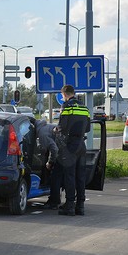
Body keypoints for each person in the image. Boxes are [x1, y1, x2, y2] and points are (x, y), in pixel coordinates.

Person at [54, 85, 90, 216]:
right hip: (82, 144)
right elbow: (88, 128)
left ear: (64, 94)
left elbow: (62, 127)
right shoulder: (84, 108)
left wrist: (56, 130)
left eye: (62, 96)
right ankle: (80, 206)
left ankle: (69, 205)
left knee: (70, 176)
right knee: (81, 176)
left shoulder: (67, 106)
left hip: (70, 145)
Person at [35, 119, 58, 189]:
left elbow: (54, 149)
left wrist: (50, 162)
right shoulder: (45, 127)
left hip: (63, 151)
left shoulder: (42, 134)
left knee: (57, 175)